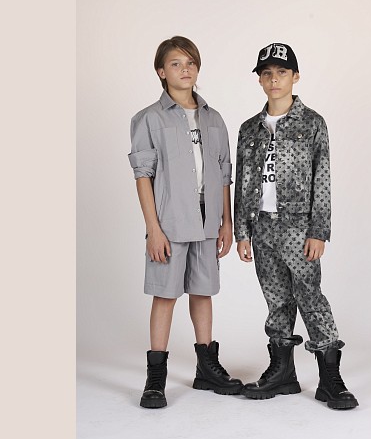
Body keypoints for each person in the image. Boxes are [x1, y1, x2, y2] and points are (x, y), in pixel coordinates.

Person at [234, 42, 358, 409]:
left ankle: (330, 379)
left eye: (282, 72)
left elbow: (323, 178)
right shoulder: (249, 129)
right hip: (261, 226)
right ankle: (282, 373)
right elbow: (242, 182)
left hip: (298, 228)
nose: (274, 79)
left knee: (309, 296)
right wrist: (242, 232)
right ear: (260, 80)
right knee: (276, 299)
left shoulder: (312, 123)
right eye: (267, 73)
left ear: (295, 77)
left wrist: (319, 231)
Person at [128, 36, 242, 409]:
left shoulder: (214, 118)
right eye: (176, 63)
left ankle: (206, 367)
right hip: (170, 221)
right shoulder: (148, 119)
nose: (185, 69)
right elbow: (143, 175)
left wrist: (226, 222)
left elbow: (224, 174)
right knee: (165, 294)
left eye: (190, 62)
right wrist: (153, 229)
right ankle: (155, 377)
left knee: (202, 291)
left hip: (208, 220)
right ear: (161, 72)